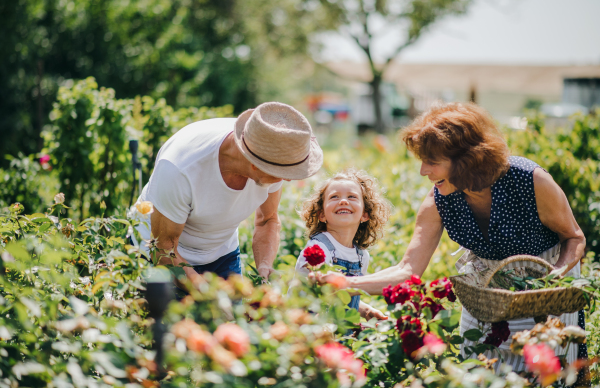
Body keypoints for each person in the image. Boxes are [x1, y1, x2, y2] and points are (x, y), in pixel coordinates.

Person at [314, 102, 587, 371]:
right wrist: (346, 283)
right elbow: (408, 270)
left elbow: (574, 237)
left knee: (540, 367)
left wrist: (553, 280)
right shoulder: (439, 201)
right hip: (485, 287)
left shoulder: (529, 180)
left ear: (467, 160)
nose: (423, 171)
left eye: (432, 162)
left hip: (543, 282)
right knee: (479, 365)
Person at [133, 102, 323, 292]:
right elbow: (164, 248)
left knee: (231, 320)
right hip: (161, 254)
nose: (288, 179)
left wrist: (264, 265)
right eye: (282, 172)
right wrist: (209, 294)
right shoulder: (180, 168)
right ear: (255, 164)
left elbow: (267, 219)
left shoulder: (274, 148)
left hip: (221, 253)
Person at [295, 169, 390, 321]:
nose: (343, 201)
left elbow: (343, 297)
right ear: (322, 215)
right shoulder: (317, 249)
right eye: (334, 197)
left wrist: (365, 310)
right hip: (308, 328)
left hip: (340, 334)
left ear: (365, 214)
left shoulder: (361, 257)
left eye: (352, 196)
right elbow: (316, 298)